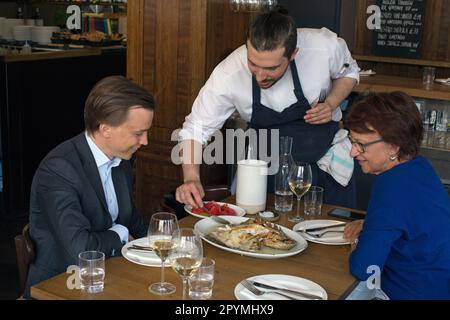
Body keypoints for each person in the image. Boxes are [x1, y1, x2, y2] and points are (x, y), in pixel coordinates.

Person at [176, 9, 359, 209]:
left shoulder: (323, 47)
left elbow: (348, 73)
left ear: (293, 54)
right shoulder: (228, 73)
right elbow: (195, 129)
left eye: (272, 69)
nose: (260, 76)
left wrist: (331, 102)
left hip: (325, 167)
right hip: (264, 173)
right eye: (253, 64)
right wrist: (191, 178)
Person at [25, 76, 154, 298]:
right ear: (105, 129)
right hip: (62, 285)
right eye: (138, 133)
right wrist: (121, 233)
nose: (145, 141)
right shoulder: (59, 169)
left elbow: (131, 219)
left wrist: (161, 245)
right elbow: (80, 251)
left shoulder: (121, 159)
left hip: (112, 275)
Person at [343, 91, 450, 299]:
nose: (353, 152)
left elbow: (364, 268)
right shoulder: (419, 166)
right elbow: (410, 222)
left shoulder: (391, 185)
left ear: (394, 146)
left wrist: (361, 241)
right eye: (351, 141)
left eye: (361, 145)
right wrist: (373, 225)